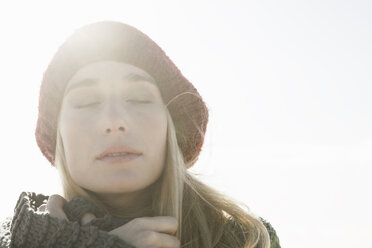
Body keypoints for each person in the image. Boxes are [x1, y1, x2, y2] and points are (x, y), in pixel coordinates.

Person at [0, 21, 281, 248]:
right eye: (86, 102)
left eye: (138, 99)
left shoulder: (247, 239)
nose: (114, 121)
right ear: (57, 135)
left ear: (170, 125)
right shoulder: (16, 240)